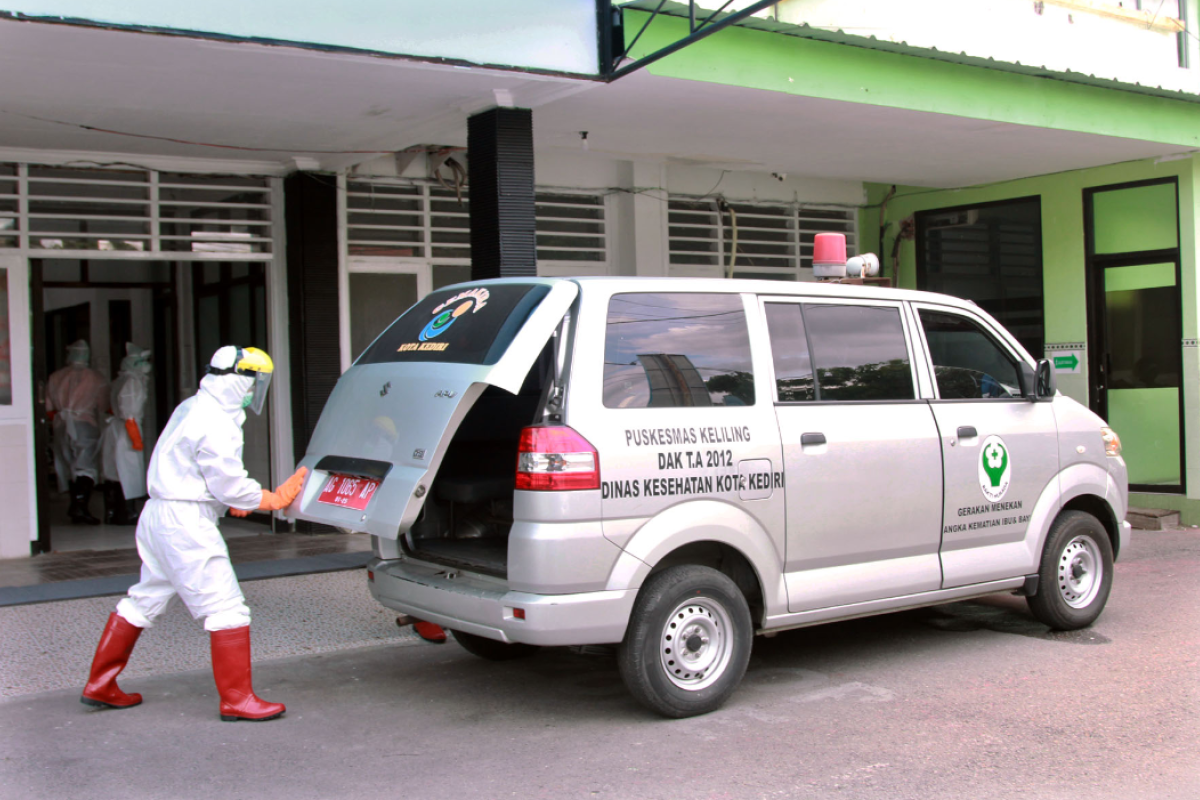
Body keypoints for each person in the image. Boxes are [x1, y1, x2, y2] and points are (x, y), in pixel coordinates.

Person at [81, 345, 308, 722]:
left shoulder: (194, 405)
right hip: (185, 523)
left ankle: (100, 685)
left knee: (144, 599)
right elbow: (228, 480)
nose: (255, 392)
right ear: (240, 379)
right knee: (227, 608)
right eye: (254, 382)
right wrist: (266, 498)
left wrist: (225, 498)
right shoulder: (217, 421)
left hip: (160, 515)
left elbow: (193, 466)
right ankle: (237, 699)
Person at [46, 340, 109, 525]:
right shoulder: (96, 378)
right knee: (85, 465)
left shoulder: (56, 376)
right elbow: (103, 405)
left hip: (61, 425)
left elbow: (48, 407)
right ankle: (80, 507)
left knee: (68, 464)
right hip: (84, 424)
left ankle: (76, 504)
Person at [101, 344, 153, 525]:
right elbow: (129, 411)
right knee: (129, 470)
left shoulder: (119, 380)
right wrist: (135, 437)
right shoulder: (133, 382)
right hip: (126, 430)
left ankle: (112, 512)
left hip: (116, 427)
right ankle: (127, 512)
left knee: (114, 471)